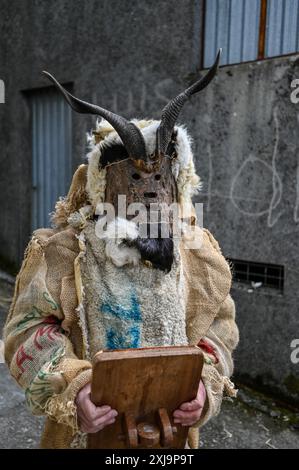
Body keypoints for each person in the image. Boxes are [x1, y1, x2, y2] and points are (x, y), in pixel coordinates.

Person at [4, 52, 239, 449]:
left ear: (178, 181)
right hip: (85, 436)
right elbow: (25, 332)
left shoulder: (199, 256)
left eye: (160, 175)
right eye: (133, 176)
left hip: (170, 440)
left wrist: (203, 387)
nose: (149, 189)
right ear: (103, 183)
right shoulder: (65, 251)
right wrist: (75, 389)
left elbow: (218, 329)